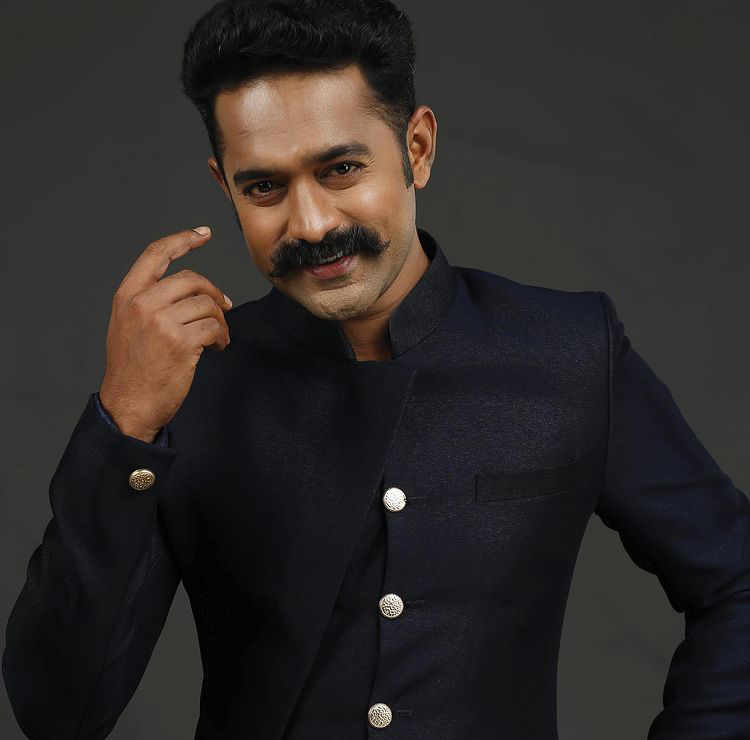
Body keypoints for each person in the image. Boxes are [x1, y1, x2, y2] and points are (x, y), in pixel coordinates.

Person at [4, 0, 750, 738]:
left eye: (341, 169)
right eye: (263, 187)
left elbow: (737, 584)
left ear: (417, 148)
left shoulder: (569, 348)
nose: (312, 224)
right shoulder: (189, 381)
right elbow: (57, 712)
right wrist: (125, 420)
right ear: (224, 185)